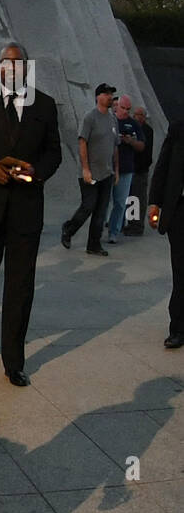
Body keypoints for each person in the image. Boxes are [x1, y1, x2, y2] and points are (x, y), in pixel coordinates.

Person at [0, 44, 62, 385]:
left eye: (17, 62)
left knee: (20, 286)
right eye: (5, 62)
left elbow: (55, 152)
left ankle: (13, 361)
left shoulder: (45, 104)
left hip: (26, 209)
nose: (11, 67)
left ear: (26, 66)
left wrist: (37, 173)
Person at [60, 83, 119, 257]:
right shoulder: (90, 118)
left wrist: (117, 169)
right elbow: (82, 142)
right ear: (98, 97)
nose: (110, 97)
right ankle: (69, 229)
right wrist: (85, 169)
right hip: (90, 173)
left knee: (101, 211)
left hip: (107, 173)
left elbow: (116, 146)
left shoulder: (112, 119)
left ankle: (93, 245)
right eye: (107, 94)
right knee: (88, 206)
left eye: (111, 94)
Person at [148, 119, 184, 348]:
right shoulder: (179, 127)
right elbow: (163, 165)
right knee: (181, 270)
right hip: (180, 210)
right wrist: (154, 203)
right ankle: (178, 328)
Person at [106, 95, 143, 244]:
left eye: (128, 109)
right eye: (123, 108)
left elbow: (142, 146)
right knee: (102, 202)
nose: (125, 112)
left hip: (126, 169)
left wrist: (130, 141)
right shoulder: (109, 120)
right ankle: (98, 229)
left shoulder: (133, 124)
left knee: (120, 203)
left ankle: (114, 231)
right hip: (107, 167)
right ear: (116, 106)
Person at [125, 107, 155, 236]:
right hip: (132, 169)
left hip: (140, 170)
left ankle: (137, 226)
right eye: (136, 115)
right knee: (131, 199)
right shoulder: (132, 128)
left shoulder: (147, 130)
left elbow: (145, 151)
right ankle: (131, 224)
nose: (138, 117)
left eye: (141, 115)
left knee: (138, 199)